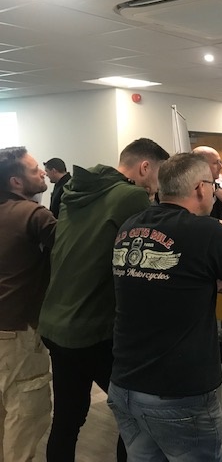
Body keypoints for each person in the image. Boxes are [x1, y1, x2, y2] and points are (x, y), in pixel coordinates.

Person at [108, 152, 222, 461]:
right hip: (179, 393)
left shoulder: (129, 226)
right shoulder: (205, 230)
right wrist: (206, 284)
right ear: (201, 188)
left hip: (125, 385)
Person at [37, 138, 170, 461]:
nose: (158, 186)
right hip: (94, 327)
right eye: (159, 176)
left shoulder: (77, 192)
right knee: (134, 417)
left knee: (68, 418)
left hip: (57, 323)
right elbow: (165, 237)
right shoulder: (130, 196)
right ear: (144, 167)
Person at [0, 147, 56, 462]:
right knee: (25, 415)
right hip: (15, 333)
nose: (43, 173)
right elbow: (72, 250)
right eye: (35, 169)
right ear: (16, 182)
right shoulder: (32, 215)